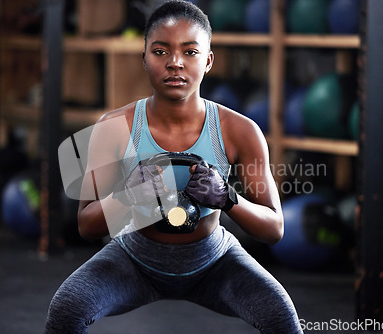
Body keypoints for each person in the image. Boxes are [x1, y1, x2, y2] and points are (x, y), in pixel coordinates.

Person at [45, 1, 303, 333]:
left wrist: (227, 199)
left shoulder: (240, 131)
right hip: (134, 260)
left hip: (214, 261)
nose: (175, 63)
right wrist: (128, 197)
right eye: (161, 51)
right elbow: (87, 225)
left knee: (280, 315)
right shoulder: (113, 127)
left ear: (208, 61)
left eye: (190, 52)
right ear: (144, 58)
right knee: (67, 307)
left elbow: (274, 229)